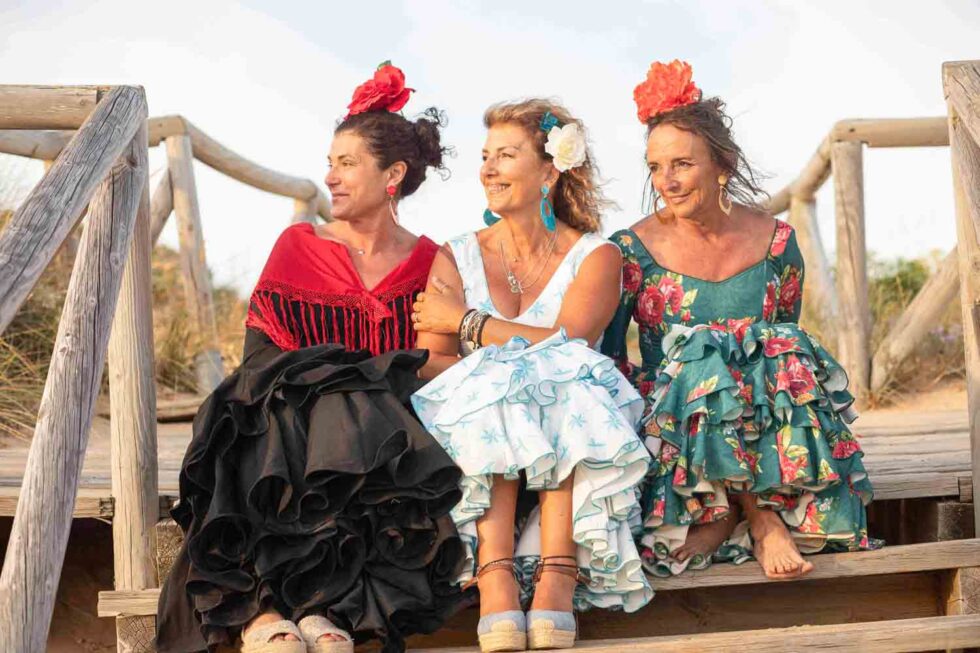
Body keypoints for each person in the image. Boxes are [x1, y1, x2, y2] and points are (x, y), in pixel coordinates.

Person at [155, 63, 471, 653]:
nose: (332, 176)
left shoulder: (430, 260)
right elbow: (259, 358)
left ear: (394, 174)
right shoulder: (299, 245)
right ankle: (260, 611)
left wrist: (367, 377)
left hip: (383, 425)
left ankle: (327, 608)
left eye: (347, 163)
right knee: (279, 417)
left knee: (355, 418)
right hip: (287, 413)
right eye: (330, 162)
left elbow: (434, 364)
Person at [602, 60, 877, 581]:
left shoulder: (777, 243)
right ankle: (757, 516)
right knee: (702, 354)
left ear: (721, 163)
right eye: (656, 167)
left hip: (764, 421)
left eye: (681, 164)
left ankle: (743, 511)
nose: (667, 181)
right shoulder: (631, 250)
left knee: (776, 348)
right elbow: (613, 356)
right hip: (678, 422)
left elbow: (783, 358)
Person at [410, 99, 652, 652]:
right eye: (486, 156)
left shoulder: (597, 255)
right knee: (513, 370)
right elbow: (430, 362)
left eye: (506, 155)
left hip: (572, 424)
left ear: (548, 171)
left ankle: (556, 576)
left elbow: (572, 344)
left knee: (561, 369)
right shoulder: (458, 254)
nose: (488, 169)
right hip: (475, 429)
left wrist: (469, 324)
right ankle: (495, 576)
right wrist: (499, 363)